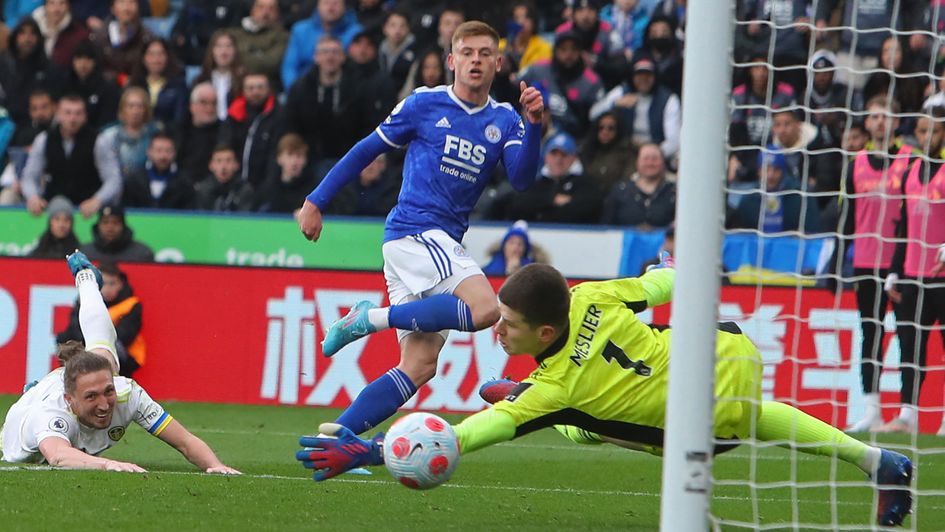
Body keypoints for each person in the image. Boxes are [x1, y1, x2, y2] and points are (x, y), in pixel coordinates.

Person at [295, 261, 915, 528]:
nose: (496, 328)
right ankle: (875, 460)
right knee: (623, 404)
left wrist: (374, 454)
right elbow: (668, 280)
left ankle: (526, 397)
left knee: (583, 419)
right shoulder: (590, 295)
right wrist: (673, 260)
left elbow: (461, 437)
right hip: (731, 350)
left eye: (506, 323)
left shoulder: (556, 384)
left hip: (702, 427)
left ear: (543, 331)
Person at [297, 20, 543, 434]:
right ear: (451, 60)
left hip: (435, 245)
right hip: (415, 232)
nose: (475, 61)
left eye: (485, 54)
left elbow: (521, 179)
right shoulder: (423, 104)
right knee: (485, 309)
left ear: (499, 63)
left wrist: (534, 125)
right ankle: (368, 320)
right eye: (467, 53)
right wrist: (315, 200)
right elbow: (366, 150)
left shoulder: (505, 118)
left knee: (419, 366)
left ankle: (337, 442)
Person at [1, 251, 240, 475]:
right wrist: (108, 464)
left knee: (105, 360)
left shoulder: (128, 394)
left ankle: (85, 277)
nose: (105, 404)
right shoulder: (52, 413)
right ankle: (35, 393)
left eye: (108, 391)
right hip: (23, 419)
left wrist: (215, 465)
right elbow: (58, 456)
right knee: (102, 362)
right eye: (92, 397)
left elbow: (186, 442)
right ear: (70, 400)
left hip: (63, 386)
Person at [836, 97, 915, 433]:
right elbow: (848, 215)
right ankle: (872, 408)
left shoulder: (910, 160)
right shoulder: (856, 163)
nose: (880, 122)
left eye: (886, 116)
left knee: (909, 335)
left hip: (903, 262)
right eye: (874, 117)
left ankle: (908, 411)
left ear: (896, 122)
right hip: (866, 262)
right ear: (866, 123)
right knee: (871, 334)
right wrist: (843, 260)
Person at [881, 106, 945, 434]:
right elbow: (902, 225)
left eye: (933, 131)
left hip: (942, 279)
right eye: (921, 131)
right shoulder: (911, 170)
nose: (926, 137)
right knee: (909, 346)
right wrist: (893, 271)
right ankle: (907, 414)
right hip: (911, 275)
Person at [20, 94, 122, 218]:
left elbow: (113, 179)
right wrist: (33, 197)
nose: (73, 118)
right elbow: (29, 176)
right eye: (67, 113)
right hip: (54, 208)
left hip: (89, 209)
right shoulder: (44, 139)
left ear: (85, 116)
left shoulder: (98, 141)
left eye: (78, 113)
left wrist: (97, 200)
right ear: (58, 114)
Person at [56, 261, 145, 377]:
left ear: (121, 284)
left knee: (113, 344)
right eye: (104, 283)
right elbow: (74, 327)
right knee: (65, 339)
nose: (107, 289)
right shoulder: (84, 301)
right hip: (86, 350)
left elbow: (125, 335)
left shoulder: (131, 305)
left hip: (122, 358)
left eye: (112, 283)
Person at [504, 131, 602, 224]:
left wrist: (543, 209)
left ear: (574, 158)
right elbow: (519, 203)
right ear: (546, 157)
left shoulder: (585, 184)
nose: (558, 160)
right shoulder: (536, 182)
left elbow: (588, 207)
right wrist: (552, 199)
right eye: (554, 154)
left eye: (564, 155)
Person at [281, 0, 364, 89]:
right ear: (318, 6)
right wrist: (295, 91)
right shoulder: (299, 30)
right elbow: (289, 67)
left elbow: (358, 68)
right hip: (303, 90)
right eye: (326, 3)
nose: (331, 8)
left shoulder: (356, 33)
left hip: (342, 90)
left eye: (335, 4)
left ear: (344, 7)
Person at [219, 72, 279, 188]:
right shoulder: (233, 116)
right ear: (243, 91)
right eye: (250, 88)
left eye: (260, 87)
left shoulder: (278, 116)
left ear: (269, 90)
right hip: (234, 185)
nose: (255, 92)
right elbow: (225, 145)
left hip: (264, 184)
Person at [601, 142, 675, 228]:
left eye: (655, 159)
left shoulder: (674, 192)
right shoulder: (620, 191)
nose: (650, 163)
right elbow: (606, 226)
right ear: (637, 162)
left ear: (663, 162)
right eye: (645, 158)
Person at [122, 132, 194, 209]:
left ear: (174, 153)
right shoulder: (134, 179)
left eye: (168, 151)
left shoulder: (184, 182)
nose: (163, 156)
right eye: (159, 151)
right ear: (149, 152)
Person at [254, 133, 316, 214]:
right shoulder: (267, 190)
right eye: (290, 155)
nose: (294, 162)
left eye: (299, 156)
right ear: (279, 158)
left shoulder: (313, 192)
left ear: (305, 160)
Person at [234, 0, 289, 90]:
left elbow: (272, 63)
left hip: (269, 87)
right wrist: (258, 54)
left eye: (271, 8)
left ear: (277, 13)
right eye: (261, 7)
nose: (266, 12)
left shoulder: (283, 36)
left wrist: (240, 59)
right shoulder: (237, 34)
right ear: (252, 10)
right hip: (236, 86)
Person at [192, 30, 245, 122]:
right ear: (212, 50)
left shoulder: (243, 79)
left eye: (229, 46)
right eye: (219, 46)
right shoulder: (201, 79)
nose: (224, 51)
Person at [174, 82, 221, 184]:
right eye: (204, 103)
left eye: (214, 103)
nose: (210, 108)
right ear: (192, 106)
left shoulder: (224, 131)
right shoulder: (179, 130)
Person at [79, 204, 155, 263]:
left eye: (115, 223)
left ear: (123, 226)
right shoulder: (85, 253)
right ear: (98, 226)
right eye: (105, 222)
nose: (110, 228)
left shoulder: (142, 254)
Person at [193, 144, 254, 212]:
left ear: (236, 165)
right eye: (219, 161)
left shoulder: (245, 190)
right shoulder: (203, 190)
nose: (223, 167)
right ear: (211, 165)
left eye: (228, 161)